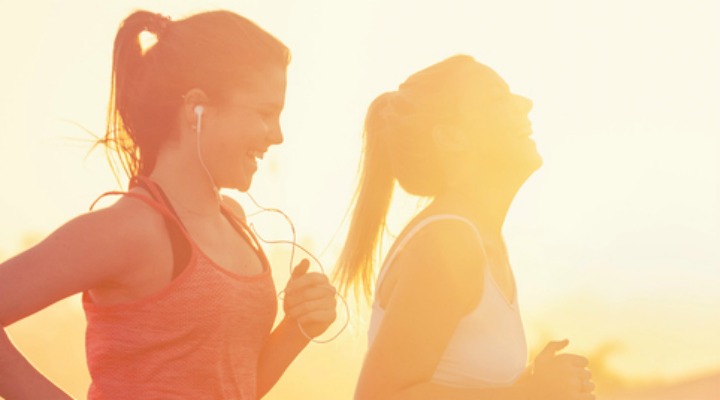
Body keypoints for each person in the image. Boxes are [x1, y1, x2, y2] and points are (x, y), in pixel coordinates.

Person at [0, 10, 337, 399]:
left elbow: (233, 387)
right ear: (197, 109)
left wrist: (297, 328)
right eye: (265, 113)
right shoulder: (129, 229)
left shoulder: (235, 220)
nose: (277, 135)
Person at [334, 55, 596, 400]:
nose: (525, 103)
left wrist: (536, 387)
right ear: (453, 138)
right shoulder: (448, 242)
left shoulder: (480, 238)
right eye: (496, 99)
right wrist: (530, 393)